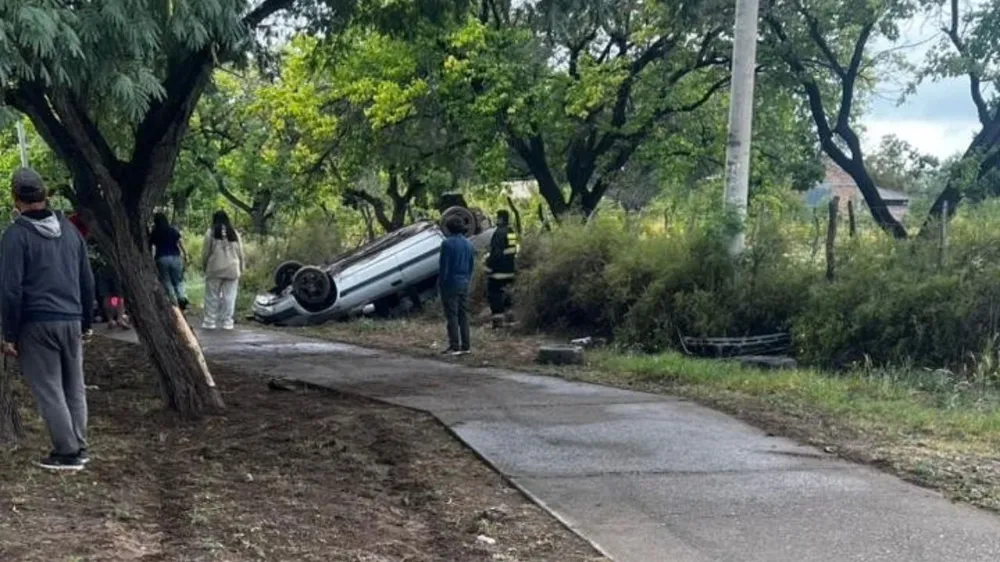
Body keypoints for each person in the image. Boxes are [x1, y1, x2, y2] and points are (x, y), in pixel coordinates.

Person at [0, 168, 94, 471]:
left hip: (36, 323)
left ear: (16, 199)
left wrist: (9, 333)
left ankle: (66, 453)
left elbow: (10, 289)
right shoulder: (70, 232)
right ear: (46, 196)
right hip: (71, 318)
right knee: (74, 387)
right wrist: (87, 322)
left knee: (49, 389)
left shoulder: (16, 235)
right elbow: (86, 279)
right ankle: (79, 446)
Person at [438, 216, 476, 355]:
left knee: (452, 315)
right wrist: (467, 279)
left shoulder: (447, 244)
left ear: (448, 229)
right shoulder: (469, 244)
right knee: (463, 315)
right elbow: (471, 265)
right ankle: (466, 346)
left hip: (450, 283)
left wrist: (441, 284)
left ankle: (454, 345)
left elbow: (444, 268)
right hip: (464, 282)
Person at [201, 210, 244, 330]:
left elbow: (205, 253)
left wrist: (204, 267)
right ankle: (227, 322)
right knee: (229, 297)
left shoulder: (211, 232)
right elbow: (241, 253)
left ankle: (210, 321)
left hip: (215, 268)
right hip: (232, 269)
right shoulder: (234, 233)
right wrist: (241, 267)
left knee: (211, 296)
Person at [483, 209, 519, 328]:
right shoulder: (511, 232)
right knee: (508, 293)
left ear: (501, 219)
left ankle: (498, 323)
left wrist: (488, 266)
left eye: (497, 217)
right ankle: (510, 319)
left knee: (494, 294)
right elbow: (513, 250)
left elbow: (496, 253)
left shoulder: (498, 233)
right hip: (510, 269)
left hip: (498, 271)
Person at [149, 212, 188, 310]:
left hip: (161, 257)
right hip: (175, 256)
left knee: (167, 281)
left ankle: (174, 301)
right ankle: (182, 296)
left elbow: (152, 246)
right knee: (178, 280)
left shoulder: (155, 232)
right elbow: (180, 241)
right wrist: (185, 254)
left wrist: (152, 259)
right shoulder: (172, 230)